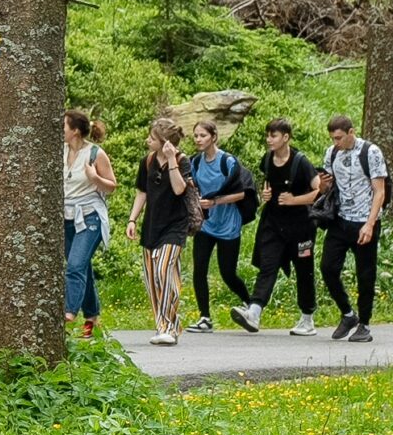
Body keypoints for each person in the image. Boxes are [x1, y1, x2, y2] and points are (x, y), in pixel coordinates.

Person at [316, 115, 388, 343]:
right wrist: (323, 183)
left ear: (351, 132)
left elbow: (380, 191)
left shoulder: (371, 152)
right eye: (333, 138)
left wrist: (370, 223)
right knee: (327, 268)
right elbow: (326, 186)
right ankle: (348, 314)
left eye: (339, 137)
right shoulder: (332, 152)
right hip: (340, 219)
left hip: (364, 220)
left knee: (365, 274)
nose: (336, 142)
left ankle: (364, 324)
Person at [252, 119, 325, 335]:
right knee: (268, 266)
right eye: (267, 135)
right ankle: (254, 312)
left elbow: (320, 192)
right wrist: (264, 195)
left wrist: (295, 200)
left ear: (286, 137)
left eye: (273, 136)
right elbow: (266, 186)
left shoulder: (301, 162)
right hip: (273, 224)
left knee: (304, 270)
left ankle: (307, 318)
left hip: (301, 227)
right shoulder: (266, 159)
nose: (269, 140)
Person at [125, 118, 192, 346]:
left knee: (163, 272)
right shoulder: (148, 161)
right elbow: (142, 192)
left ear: (164, 142)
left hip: (176, 226)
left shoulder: (182, 161)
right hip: (152, 226)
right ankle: (166, 324)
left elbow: (179, 188)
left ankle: (167, 328)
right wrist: (132, 219)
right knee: (152, 280)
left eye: (152, 138)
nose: (147, 141)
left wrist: (172, 158)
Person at [185, 122, 254, 332]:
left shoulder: (228, 162)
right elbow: (195, 187)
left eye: (203, 135)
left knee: (228, 273)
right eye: (195, 135)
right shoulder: (195, 162)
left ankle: (251, 305)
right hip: (206, 224)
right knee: (199, 269)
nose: (198, 139)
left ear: (214, 137)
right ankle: (205, 317)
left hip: (228, 225)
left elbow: (244, 192)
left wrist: (216, 201)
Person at [62, 111, 116, 341]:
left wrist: (94, 178)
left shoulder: (95, 154)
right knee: (83, 268)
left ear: (75, 130)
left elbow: (112, 186)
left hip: (90, 216)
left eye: (64, 125)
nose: (60, 129)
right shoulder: (60, 151)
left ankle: (67, 314)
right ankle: (92, 317)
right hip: (66, 216)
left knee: (75, 266)